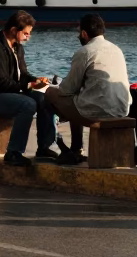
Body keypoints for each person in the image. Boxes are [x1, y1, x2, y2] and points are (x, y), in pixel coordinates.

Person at [43, 14, 131, 166]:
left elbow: (67, 89)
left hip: (97, 113)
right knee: (77, 99)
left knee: (50, 94)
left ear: (84, 33)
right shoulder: (117, 50)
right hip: (122, 110)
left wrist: (52, 85)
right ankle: (76, 148)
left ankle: (48, 146)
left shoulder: (85, 52)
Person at [0, 10, 57, 167]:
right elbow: (1, 82)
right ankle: (14, 152)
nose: (28, 37)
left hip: (10, 93)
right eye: (25, 33)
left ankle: (44, 147)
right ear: (14, 30)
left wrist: (36, 80)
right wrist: (28, 86)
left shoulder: (18, 47)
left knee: (45, 98)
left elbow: (23, 74)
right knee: (28, 104)